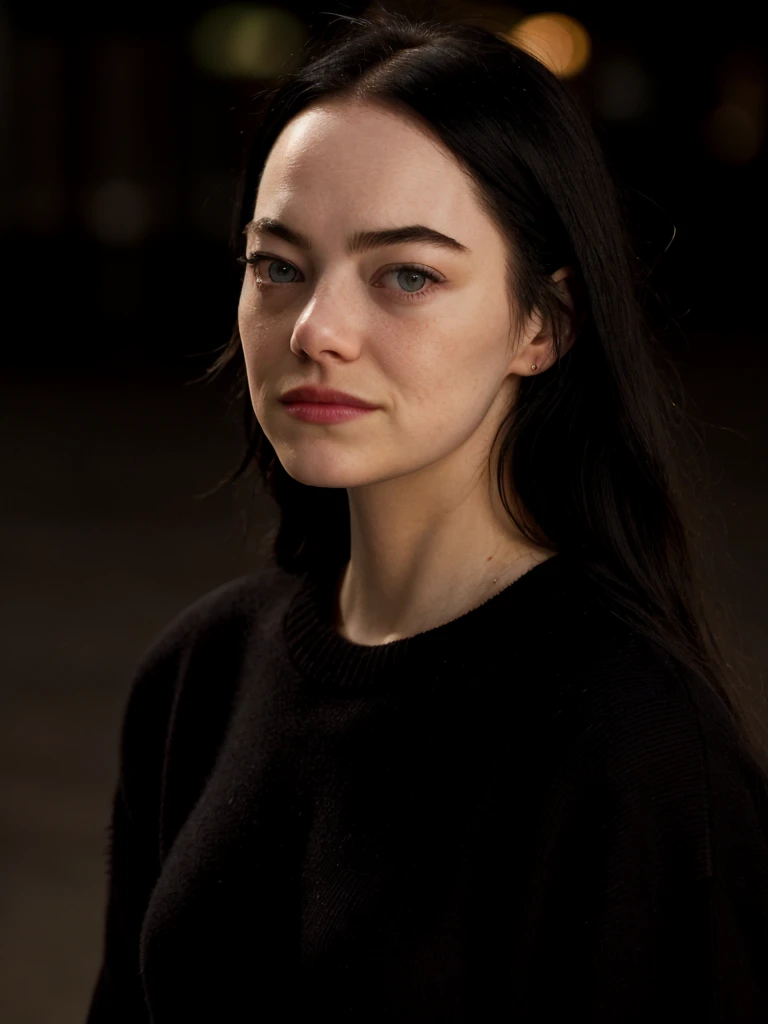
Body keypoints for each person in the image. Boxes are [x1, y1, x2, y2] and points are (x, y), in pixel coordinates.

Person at [85, 9, 768, 1022]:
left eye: (406, 274)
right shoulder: (198, 677)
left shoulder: (639, 751)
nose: (316, 330)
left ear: (544, 323)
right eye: (277, 265)